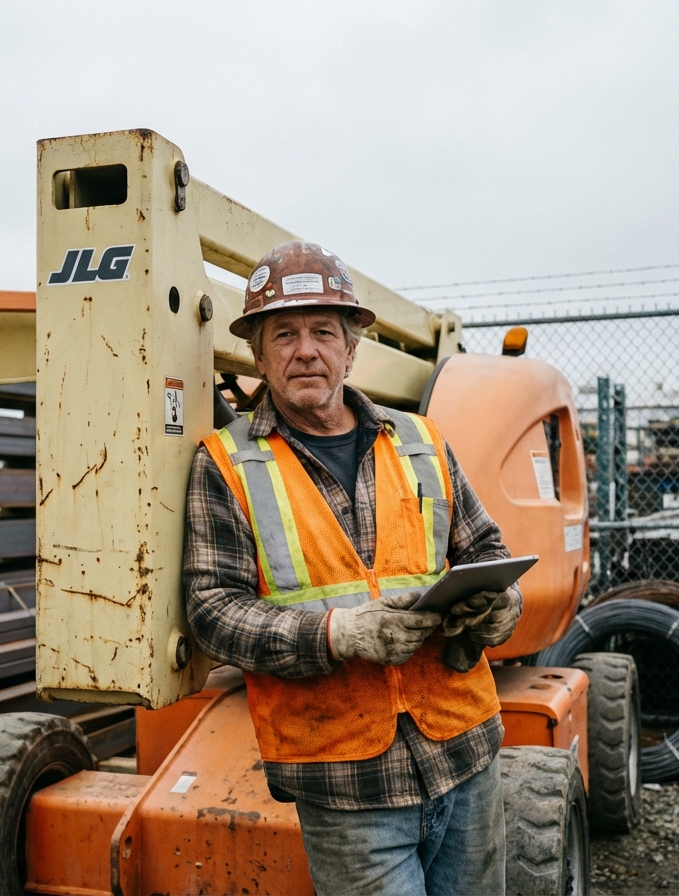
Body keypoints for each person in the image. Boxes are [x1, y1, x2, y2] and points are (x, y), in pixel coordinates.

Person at [182, 241, 522, 896]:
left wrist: (500, 605)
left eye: (322, 333)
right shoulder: (225, 465)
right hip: (345, 784)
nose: (305, 350)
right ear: (257, 353)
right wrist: (338, 635)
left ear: (350, 348)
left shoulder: (422, 440)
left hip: (466, 753)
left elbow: (487, 553)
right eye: (284, 334)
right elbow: (212, 613)